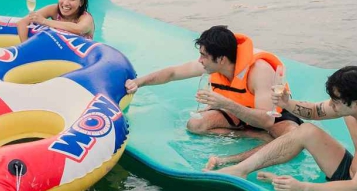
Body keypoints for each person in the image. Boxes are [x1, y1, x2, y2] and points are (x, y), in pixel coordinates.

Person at [205, 65, 357, 191]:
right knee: (306, 130)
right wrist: (286, 104)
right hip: (350, 174)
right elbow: (313, 111)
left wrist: (303, 188)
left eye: (336, 101)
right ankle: (241, 169)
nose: (331, 105)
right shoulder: (350, 105)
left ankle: (288, 187)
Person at [124, 25, 301, 137]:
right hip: (240, 113)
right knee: (195, 124)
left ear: (221, 59)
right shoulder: (212, 64)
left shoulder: (259, 71)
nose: (200, 60)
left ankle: (252, 138)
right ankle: (252, 136)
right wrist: (139, 82)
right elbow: (172, 73)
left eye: (203, 55)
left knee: (291, 136)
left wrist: (226, 104)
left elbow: (267, 121)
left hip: (271, 116)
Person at [16, 0, 95, 42]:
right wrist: (25, 47)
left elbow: (78, 29)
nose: (65, 3)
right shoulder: (54, 9)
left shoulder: (86, 18)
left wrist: (44, 21)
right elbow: (22, 22)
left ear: (81, 2)